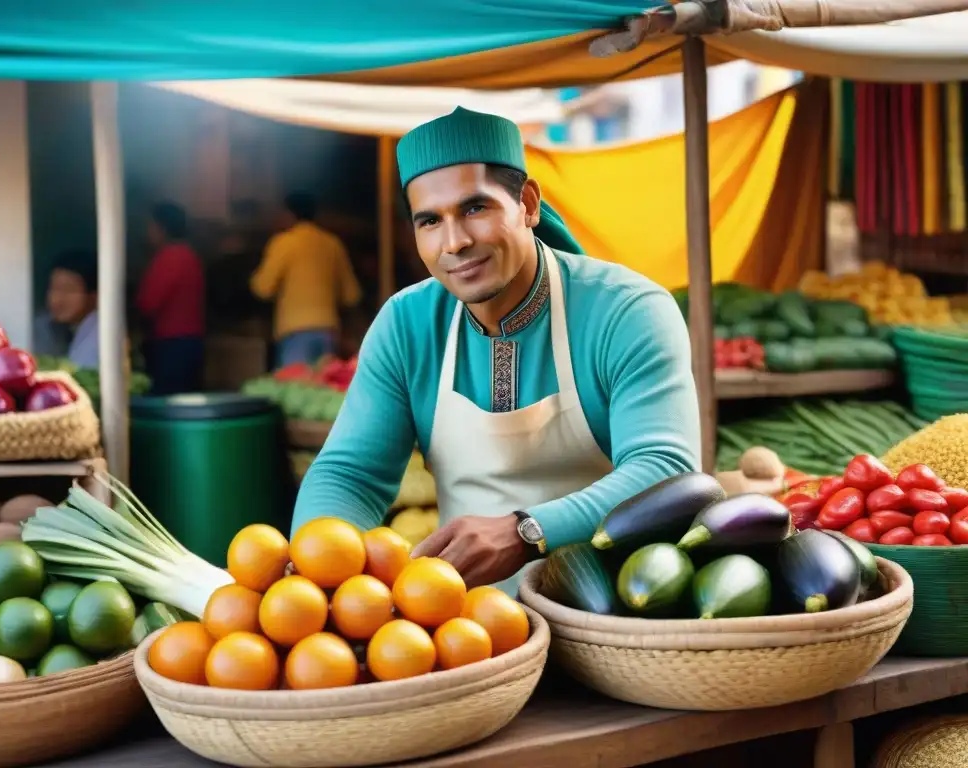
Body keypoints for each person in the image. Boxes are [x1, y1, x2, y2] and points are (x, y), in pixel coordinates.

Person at [291, 107, 701, 596]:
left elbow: (665, 469)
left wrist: (527, 531)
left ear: (527, 203)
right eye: (429, 221)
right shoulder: (406, 325)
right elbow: (350, 473)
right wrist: (317, 565)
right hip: (469, 626)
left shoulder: (626, 310)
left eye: (474, 209)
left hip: (617, 614)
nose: (455, 242)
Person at [250, 192, 362, 368]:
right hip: (328, 330)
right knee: (322, 388)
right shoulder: (332, 244)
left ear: (288, 214)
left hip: (294, 330)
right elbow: (351, 295)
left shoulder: (283, 242)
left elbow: (263, 288)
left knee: (296, 388)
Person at [136, 201, 205, 395]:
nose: (147, 232)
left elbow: (148, 303)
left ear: (162, 228)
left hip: (171, 344)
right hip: (192, 341)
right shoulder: (190, 255)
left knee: (167, 402)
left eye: (150, 226)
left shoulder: (169, 258)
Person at [34, 249, 100, 368]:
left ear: (94, 296)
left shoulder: (100, 333)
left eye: (69, 290)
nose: (57, 299)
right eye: (53, 288)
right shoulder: (46, 324)